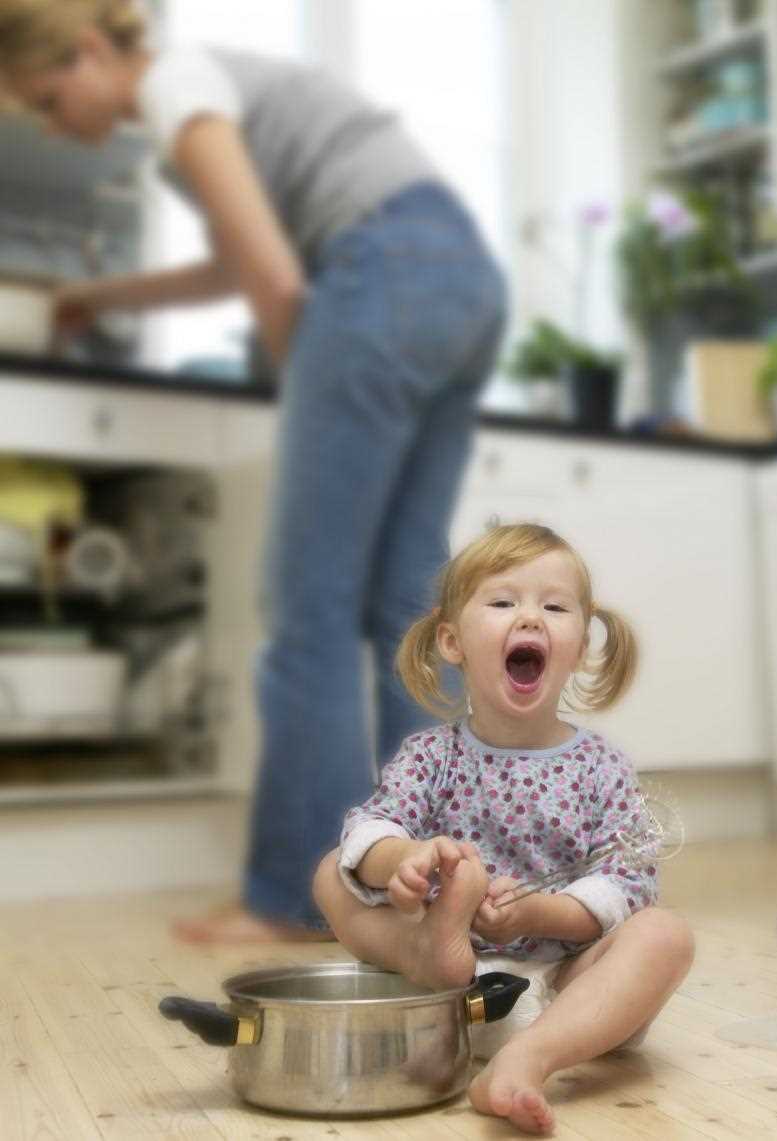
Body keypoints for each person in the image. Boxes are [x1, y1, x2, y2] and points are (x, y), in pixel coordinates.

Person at [0, 1, 507, 941]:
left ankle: (299, 895)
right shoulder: (207, 91)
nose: (52, 124)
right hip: (462, 281)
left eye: (46, 99)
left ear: (89, 51)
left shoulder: (174, 84)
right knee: (409, 605)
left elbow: (272, 280)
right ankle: (444, 881)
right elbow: (242, 260)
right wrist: (102, 297)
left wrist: (305, 381)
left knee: (307, 603)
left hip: (384, 275)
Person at [312, 523, 694, 1135]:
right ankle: (424, 951)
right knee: (334, 870)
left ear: (580, 645)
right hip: (449, 980)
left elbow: (624, 886)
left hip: (565, 988)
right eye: (502, 602)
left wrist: (536, 914)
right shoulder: (432, 756)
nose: (531, 618)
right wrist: (403, 859)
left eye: (555, 607)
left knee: (664, 934)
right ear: (452, 640)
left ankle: (527, 1060)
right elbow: (374, 826)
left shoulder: (601, 767)